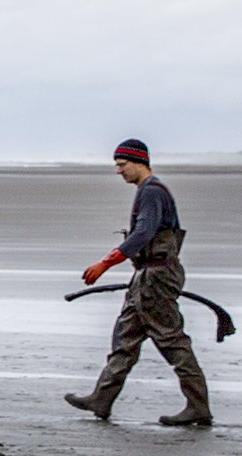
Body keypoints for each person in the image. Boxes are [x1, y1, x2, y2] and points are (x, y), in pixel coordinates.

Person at [65, 139, 212, 426]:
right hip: (145, 277)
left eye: (122, 165)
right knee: (126, 340)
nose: (118, 172)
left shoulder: (152, 192)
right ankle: (101, 399)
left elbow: (144, 233)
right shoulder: (147, 191)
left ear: (138, 162)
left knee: (172, 342)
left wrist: (106, 263)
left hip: (156, 279)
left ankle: (198, 406)